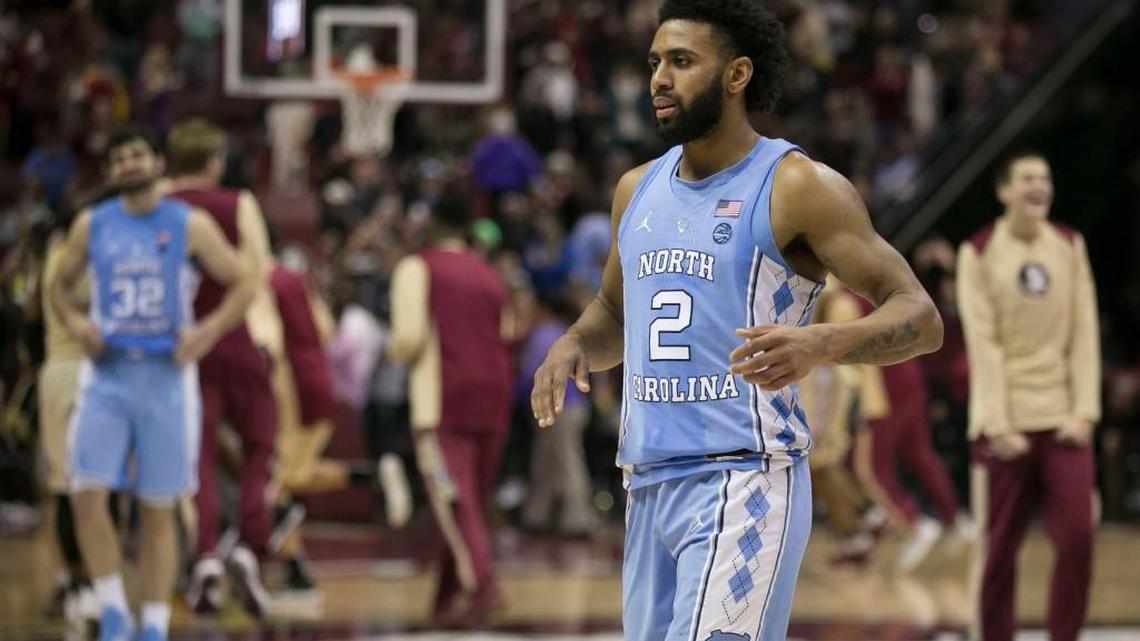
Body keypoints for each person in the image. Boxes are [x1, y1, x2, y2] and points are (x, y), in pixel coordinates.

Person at [529, 2, 943, 639]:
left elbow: (920, 317)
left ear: (737, 73)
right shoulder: (633, 189)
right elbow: (615, 311)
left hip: (744, 480)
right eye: (655, 62)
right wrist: (574, 342)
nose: (659, 78)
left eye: (682, 61)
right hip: (646, 485)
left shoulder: (798, 185)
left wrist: (823, 341)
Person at [49, 125, 255, 641]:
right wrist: (77, 325)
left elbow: (245, 279)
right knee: (87, 494)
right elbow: (57, 284)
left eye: (137, 154)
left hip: (166, 380)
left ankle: (155, 625)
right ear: (110, 172)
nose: (129, 165)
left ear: (158, 162)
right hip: (107, 377)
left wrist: (208, 331)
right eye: (118, 159)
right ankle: (114, 608)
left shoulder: (190, 224)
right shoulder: (91, 224)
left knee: (157, 507)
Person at [958, 150, 1100, 641]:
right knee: (999, 552)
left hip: (1064, 419)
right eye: (1028, 179)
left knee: (1079, 538)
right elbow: (984, 344)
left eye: (1046, 178)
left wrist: (1084, 411)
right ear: (1005, 192)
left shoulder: (1069, 244)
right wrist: (998, 423)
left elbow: (1084, 334)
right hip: (1007, 425)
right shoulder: (977, 252)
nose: (1040, 186)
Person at [164, 118, 277, 617]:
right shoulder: (237, 204)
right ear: (215, 162)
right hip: (235, 337)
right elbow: (260, 271)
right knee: (259, 447)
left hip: (181, 348)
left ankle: (205, 554)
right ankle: (251, 544)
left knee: (198, 460)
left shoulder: (163, 208)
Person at [387, 189, 514, 627]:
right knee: (468, 504)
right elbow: (509, 329)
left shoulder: (416, 266)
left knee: (453, 501)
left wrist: (388, 351)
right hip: (493, 397)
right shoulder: (488, 274)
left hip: (442, 399)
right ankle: (445, 601)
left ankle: (482, 585)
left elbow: (408, 337)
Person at [266, 251, 411, 593]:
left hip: (291, 391)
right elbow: (326, 331)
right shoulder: (297, 284)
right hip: (318, 383)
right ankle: (295, 569)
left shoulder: (261, 281)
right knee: (288, 477)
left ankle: (291, 561)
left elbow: (265, 342)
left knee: (278, 479)